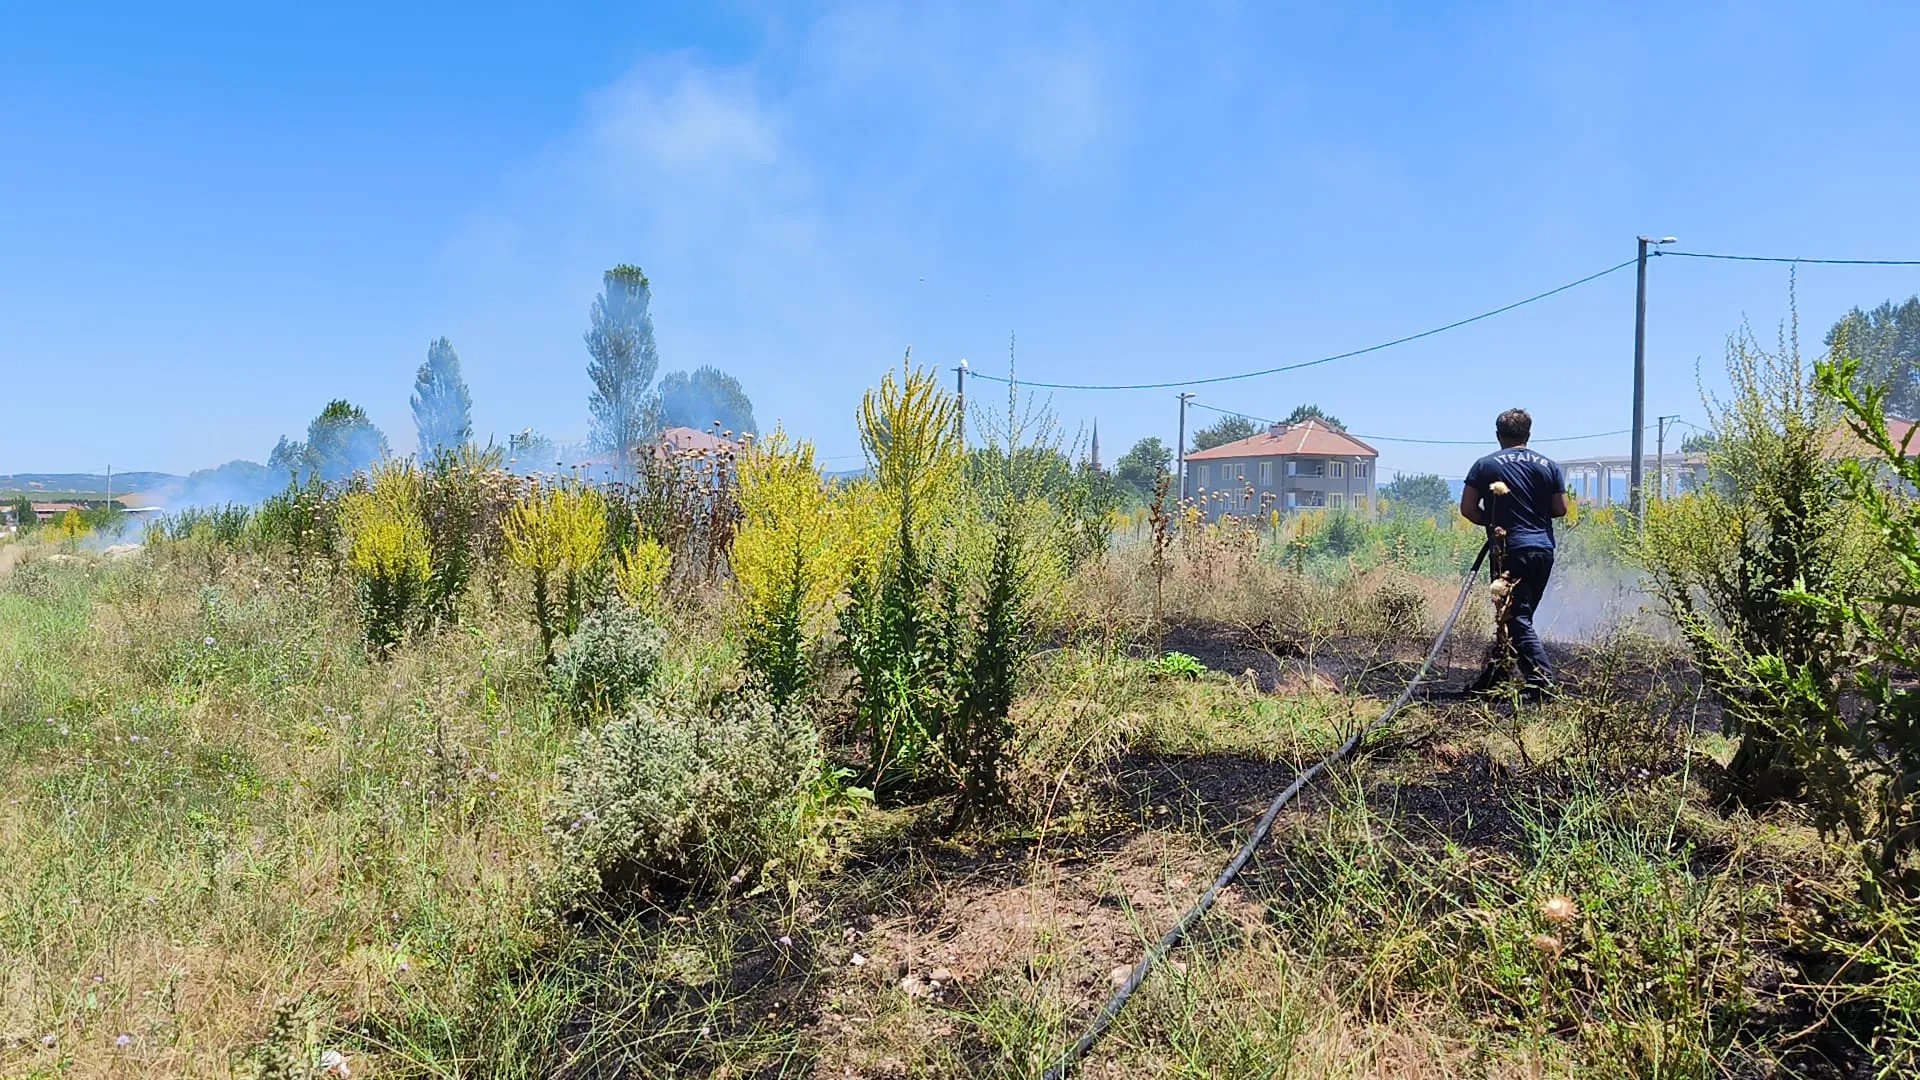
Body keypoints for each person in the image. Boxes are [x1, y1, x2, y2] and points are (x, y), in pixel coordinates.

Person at [1459, 407, 1569, 698]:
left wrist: (1495, 523)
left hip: (1509, 550)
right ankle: (1497, 675)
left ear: (1498, 436)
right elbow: (1561, 508)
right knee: (1516, 616)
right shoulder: (1549, 465)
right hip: (1543, 550)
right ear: (1529, 434)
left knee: (1515, 618)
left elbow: (1468, 509)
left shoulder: (1484, 465)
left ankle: (1543, 682)